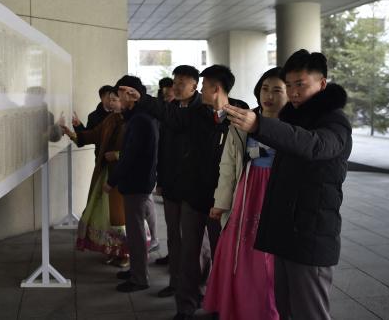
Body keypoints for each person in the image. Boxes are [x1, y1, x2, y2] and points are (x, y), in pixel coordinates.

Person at [224, 50, 352, 320]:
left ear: (322, 84)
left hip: (310, 232)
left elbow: (313, 144)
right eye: (290, 85)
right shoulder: (294, 117)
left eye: (300, 85)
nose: (293, 93)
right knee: (285, 307)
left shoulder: (335, 122)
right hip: (286, 230)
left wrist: (261, 124)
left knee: (309, 311)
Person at [120, 65, 249, 319]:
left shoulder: (240, 113)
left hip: (223, 201)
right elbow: (169, 114)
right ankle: (186, 306)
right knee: (189, 256)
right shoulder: (197, 113)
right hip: (194, 196)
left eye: (204, 85)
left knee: (221, 256)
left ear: (216, 88)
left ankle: (219, 305)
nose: (200, 90)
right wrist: (143, 99)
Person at [203, 67, 288, 320]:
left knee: (269, 261)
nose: (269, 95)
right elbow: (228, 166)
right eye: (264, 88)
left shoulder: (295, 127)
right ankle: (238, 308)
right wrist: (221, 202)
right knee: (239, 254)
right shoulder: (242, 122)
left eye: (276, 90)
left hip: (275, 194)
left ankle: (268, 310)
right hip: (247, 191)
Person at [61, 89, 129, 266]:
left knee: (120, 216)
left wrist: (118, 155)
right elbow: (93, 134)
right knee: (106, 215)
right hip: (105, 172)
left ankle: (127, 253)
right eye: (111, 99)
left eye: (117, 99)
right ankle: (114, 249)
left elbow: (140, 150)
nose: (113, 103)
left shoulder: (134, 121)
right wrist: (72, 133)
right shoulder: (111, 119)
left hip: (123, 175)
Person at [105, 75, 159, 293]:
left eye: (119, 94)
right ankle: (137, 270)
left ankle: (139, 278)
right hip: (140, 182)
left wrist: (112, 181)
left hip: (137, 183)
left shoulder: (140, 119)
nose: (116, 99)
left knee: (136, 234)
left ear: (130, 94)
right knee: (135, 232)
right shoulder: (140, 116)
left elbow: (130, 156)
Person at [154, 65, 202, 299]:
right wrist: (160, 180)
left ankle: (199, 285)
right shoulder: (170, 110)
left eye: (183, 81)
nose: (177, 86)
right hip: (171, 185)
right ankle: (175, 282)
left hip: (194, 188)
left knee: (194, 242)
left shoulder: (202, 110)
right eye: (175, 81)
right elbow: (163, 149)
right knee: (174, 237)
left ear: (195, 85)